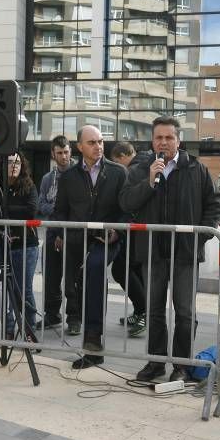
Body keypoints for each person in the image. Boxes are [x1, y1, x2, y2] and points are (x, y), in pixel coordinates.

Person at [120, 116, 220, 383]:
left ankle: (181, 365)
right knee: (154, 310)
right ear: (152, 141)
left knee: (185, 312)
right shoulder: (141, 167)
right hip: (152, 253)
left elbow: (214, 204)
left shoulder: (195, 168)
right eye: (159, 138)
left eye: (169, 137)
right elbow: (126, 202)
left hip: (185, 255)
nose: (163, 142)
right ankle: (155, 363)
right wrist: (149, 180)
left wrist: (199, 238)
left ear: (178, 140)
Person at [53, 125, 128, 369]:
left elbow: (127, 209)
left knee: (94, 270)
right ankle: (90, 342)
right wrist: (58, 233)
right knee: (80, 285)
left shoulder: (118, 173)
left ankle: (93, 342)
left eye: (101, 141)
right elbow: (60, 211)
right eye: (92, 142)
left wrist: (116, 231)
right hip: (77, 240)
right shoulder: (68, 177)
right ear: (80, 147)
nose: (98, 146)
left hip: (107, 240)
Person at [0, 154, 39, 339]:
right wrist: (11, 212)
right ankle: (8, 329)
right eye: (10, 162)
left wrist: (4, 211)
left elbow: (30, 211)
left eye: (18, 162)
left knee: (24, 289)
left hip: (25, 246)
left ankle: (29, 330)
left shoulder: (29, 186)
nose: (14, 165)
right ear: (2, 165)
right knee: (5, 288)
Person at [109, 141, 148, 336]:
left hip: (135, 231)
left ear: (125, 156)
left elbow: (130, 203)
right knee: (135, 272)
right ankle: (141, 310)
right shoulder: (145, 164)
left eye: (117, 162)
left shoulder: (134, 170)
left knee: (120, 269)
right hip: (137, 231)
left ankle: (144, 311)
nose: (118, 166)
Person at [37, 135, 75, 329]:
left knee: (72, 279)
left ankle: (74, 318)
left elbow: (75, 208)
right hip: (52, 232)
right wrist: (57, 209)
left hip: (72, 233)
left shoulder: (78, 173)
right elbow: (41, 203)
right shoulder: (47, 178)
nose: (63, 156)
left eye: (66, 152)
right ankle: (52, 314)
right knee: (50, 276)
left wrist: (59, 211)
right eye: (59, 153)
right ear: (53, 154)